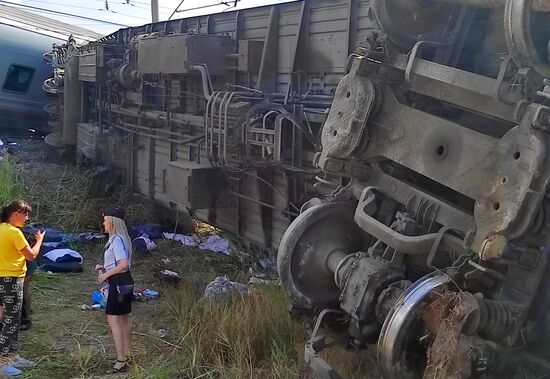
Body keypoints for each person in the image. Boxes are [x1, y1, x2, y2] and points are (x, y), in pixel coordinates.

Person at [0, 200, 44, 376]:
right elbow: (32, 256)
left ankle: (13, 355)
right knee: (11, 319)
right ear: (16, 213)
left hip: (2, 277)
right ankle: (2, 362)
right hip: (12, 278)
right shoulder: (14, 232)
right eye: (25, 214)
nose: (27, 218)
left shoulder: (2, 228)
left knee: (12, 317)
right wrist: (39, 240)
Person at [95, 206, 133, 373]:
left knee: (113, 320)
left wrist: (105, 275)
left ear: (112, 221)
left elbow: (123, 265)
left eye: (105, 219)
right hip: (124, 282)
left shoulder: (116, 240)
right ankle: (128, 352)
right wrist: (104, 268)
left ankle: (120, 359)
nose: (103, 222)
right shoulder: (121, 238)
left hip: (118, 283)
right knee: (124, 318)